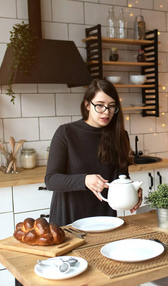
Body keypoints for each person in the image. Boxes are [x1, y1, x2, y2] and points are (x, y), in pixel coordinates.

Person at [45, 79, 142, 226]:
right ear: (87, 105)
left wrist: (132, 190)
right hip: (69, 220)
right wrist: (84, 180)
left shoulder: (120, 136)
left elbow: (120, 177)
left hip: (105, 220)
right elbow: (51, 180)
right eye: (100, 105)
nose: (106, 112)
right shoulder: (66, 133)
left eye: (111, 106)